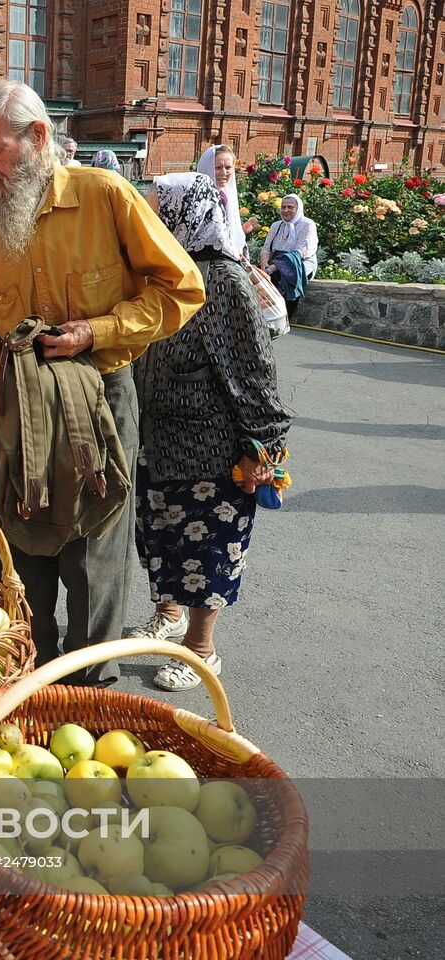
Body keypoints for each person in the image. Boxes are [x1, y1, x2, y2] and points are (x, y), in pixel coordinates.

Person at [0, 80, 206, 683]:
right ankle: (26, 685)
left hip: (103, 402)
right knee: (18, 549)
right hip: (16, 410)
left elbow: (182, 287)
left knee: (94, 555)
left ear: (38, 138)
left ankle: (93, 694)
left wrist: (97, 330)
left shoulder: (105, 195)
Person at [132, 172, 292, 690]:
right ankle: (169, 615)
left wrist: (264, 448)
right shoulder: (162, 270)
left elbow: (252, 371)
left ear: (184, 215)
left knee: (207, 547)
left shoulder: (220, 280)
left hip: (210, 450)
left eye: (156, 211)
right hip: (158, 441)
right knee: (161, 536)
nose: (146, 221)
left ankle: (201, 649)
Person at [260, 192, 317, 317]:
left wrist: (273, 268)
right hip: (274, 262)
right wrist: (264, 266)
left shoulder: (307, 224)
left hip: (298, 262)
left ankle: (283, 313)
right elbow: (266, 249)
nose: (286, 210)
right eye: (283, 207)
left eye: (290, 207)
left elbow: (300, 252)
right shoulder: (276, 225)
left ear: (298, 209)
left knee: (284, 274)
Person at [197, 144, 248, 262]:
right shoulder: (200, 200)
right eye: (218, 167)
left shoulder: (225, 197)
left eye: (228, 167)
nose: (223, 172)